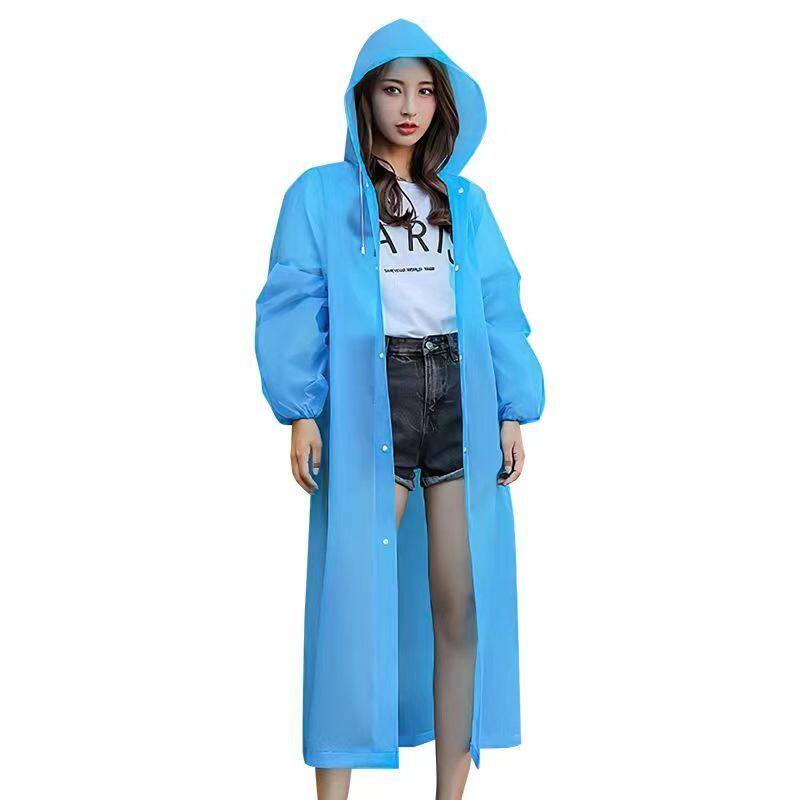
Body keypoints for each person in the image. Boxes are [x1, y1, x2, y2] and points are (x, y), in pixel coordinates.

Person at [255, 19, 544, 800]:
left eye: (423, 91)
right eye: (392, 90)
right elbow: (294, 298)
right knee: (354, 599)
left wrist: (512, 408)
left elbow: (498, 304)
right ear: (365, 99)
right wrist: (301, 407)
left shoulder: (466, 203)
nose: (408, 107)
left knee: (461, 601)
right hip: (372, 400)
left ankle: (450, 794)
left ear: (442, 103)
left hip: (460, 394)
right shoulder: (321, 196)